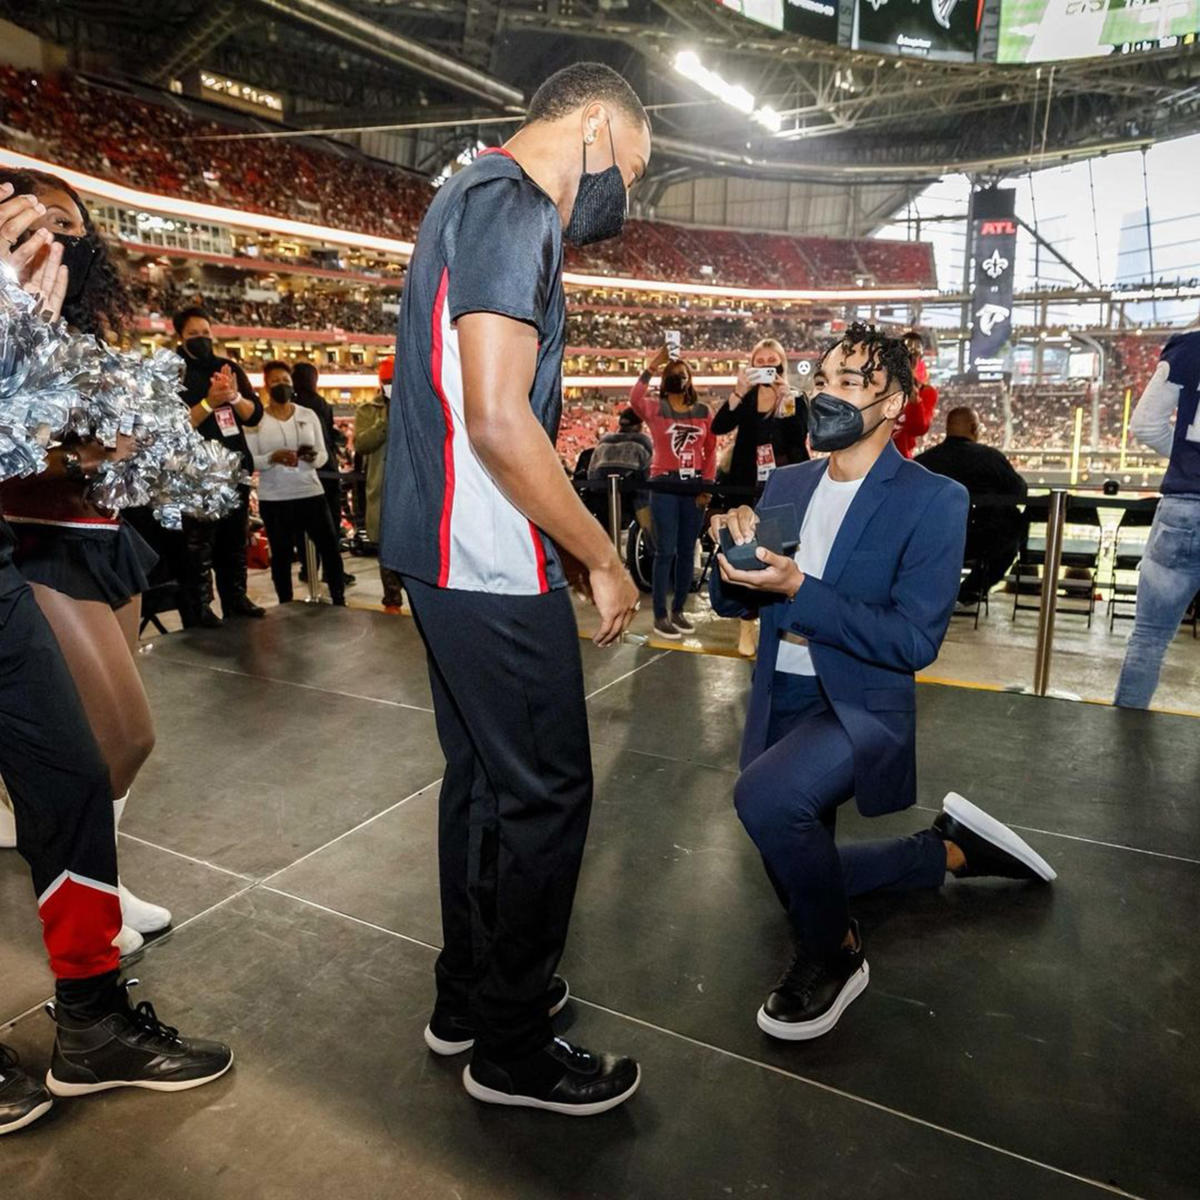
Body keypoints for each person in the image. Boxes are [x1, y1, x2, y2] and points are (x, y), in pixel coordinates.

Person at [381, 61, 648, 1115]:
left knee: (488, 783)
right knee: (546, 792)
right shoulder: (515, 202)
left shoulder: (468, 191)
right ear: (591, 125)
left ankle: (474, 998)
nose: (627, 187)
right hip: (487, 550)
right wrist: (602, 554)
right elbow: (497, 418)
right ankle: (515, 1045)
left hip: (443, 548)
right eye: (631, 163)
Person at [709, 323, 1056, 1043]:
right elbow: (742, 600)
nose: (826, 394)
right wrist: (731, 561)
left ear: (896, 401)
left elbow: (912, 640)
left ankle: (838, 955)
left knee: (767, 802)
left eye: (849, 382)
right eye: (823, 380)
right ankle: (947, 850)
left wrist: (799, 584)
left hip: (858, 701)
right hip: (782, 690)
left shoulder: (934, 499)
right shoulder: (794, 479)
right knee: (798, 871)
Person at [0, 181, 232, 1137]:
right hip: (34, 533)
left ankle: (92, 1026)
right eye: (24, 211)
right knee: (98, 746)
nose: (47, 228)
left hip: (45, 547)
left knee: (77, 765)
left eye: (60, 214)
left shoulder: (56, 313)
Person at [0, 168, 171, 957]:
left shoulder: (85, 327)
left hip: (103, 535)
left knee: (116, 742)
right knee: (119, 734)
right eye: (42, 221)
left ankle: (99, 880)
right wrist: (84, 452)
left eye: (73, 226)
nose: (60, 238)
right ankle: (74, 891)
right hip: (36, 537)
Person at [1115, 326, 1200, 708]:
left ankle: (1125, 748)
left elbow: (1146, 424)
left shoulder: (1189, 348)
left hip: (1185, 506)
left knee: (1149, 638)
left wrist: (1184, 456)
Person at [714, 337, 809, 655]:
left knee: (783, 553)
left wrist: (786, 403)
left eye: (773, 360)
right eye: (761, 360)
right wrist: (739, 391)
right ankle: (747, 621)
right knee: (747, 551)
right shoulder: (747, 398)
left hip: (784, 488)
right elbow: (719, 426)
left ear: (782, 365)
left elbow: (799, 439)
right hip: (747, 486)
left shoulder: (796, 397)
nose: (767, 365)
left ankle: (785, 620)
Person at [172, 305, 266, 627]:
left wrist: (234, 397)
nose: (201, 339)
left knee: (234, 541)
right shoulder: (174, 371)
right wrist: (210, 402)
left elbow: (254, 415)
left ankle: (236, 598)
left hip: (235, 469)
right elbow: (173, 425)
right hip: (196, 475)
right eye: (193, 335)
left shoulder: (228, 367)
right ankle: (198, 608)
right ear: (180, 338)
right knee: (199, 547)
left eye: (205, 334)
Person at [630, 346, 718, 640]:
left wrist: (706, 485)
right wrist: (653, 366)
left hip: (693, 486)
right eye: (674, 376)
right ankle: (659, 615)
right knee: (665, 551)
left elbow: (710, 451)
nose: (679, 380)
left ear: (690, 380)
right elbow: (634, 398)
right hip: (664, 484)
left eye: (683, 375)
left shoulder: (704, 411)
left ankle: (679, 610)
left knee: (685, 551)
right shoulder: (655, 409)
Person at [244, 361, 346, 607]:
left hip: (310, 492)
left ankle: (339, 598)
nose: (282, 386)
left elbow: (323, 454)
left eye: (286, 381)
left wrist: (311, 458)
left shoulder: (307, 415)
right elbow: (249, 460)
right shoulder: (255, 420)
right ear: (266, 385)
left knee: (330, 548)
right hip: (275, 498)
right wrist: (272, 458)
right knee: (281, 556)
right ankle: (285, 603)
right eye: (276, 381)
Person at [916, 406, 1028, 606]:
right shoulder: (990, 458)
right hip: (980, 541)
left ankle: (931, 593)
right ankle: (970, 592)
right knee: (1014, 524)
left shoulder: (923, 462)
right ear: (974, 428)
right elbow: (1018, 492)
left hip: (931, 541)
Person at [292, 361, 354, 589]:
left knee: (303, 526)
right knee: (329, 526)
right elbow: (327, 435)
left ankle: (309, 569)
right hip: (325, 468)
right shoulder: (319, 403)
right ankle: (332, 571)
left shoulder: (292, 403)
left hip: (299, 471)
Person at [353, 357, 404, 611]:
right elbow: (361, 444)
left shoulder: (415, 404)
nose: (391, 385)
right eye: (387, 382)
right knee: (386, 549)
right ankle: (392, 602)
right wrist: (386, 421)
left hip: (410, 489)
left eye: (394, 381)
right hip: (382, 489)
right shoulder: (367, 410)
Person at [585, 407, 653, 530]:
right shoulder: (643, 441)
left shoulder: (604, 441)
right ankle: (651, 540)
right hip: (631, 503)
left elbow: (591, 475)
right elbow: (649, 474)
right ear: (639, 426)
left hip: (600, 502)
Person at [891, 330, 938, 459]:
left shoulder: (926, 392)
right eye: (905, 356)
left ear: (919, 359)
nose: (909, 361)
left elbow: (918, 429)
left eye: (914, 356)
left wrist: (914, 401)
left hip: (900, 459)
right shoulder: (881, 385)